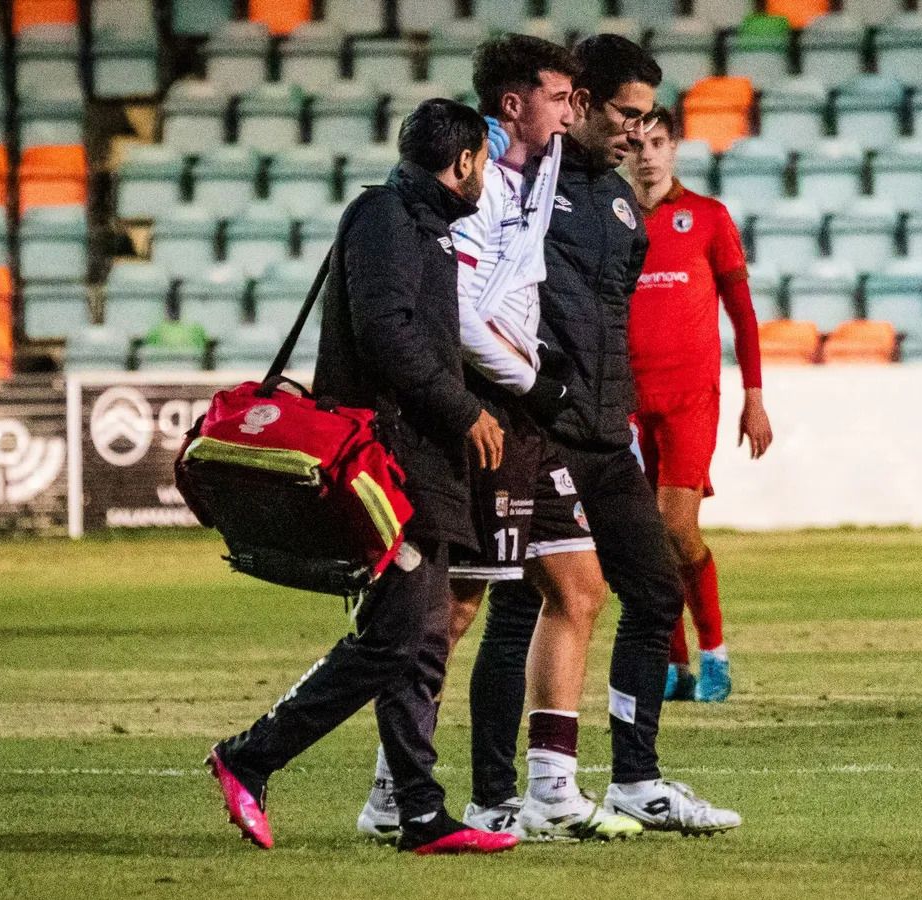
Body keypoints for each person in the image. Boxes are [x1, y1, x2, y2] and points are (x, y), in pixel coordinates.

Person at [204, 99, 517, 856]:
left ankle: (420, 813)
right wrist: (462, 409)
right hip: (391, 463)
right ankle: (250, 755)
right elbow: (386, 333)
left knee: (421, 638)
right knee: (396, 638)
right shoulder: (386, 217)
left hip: (421, 464)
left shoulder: (419, 223)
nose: (489, 178)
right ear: (466, 159)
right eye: (487, 162)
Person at [355, 35, 642, 844]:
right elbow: (464, 311)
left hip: (527, 417)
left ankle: (551, 784)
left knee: (579, 589)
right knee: (452, 609)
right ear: (512, 105)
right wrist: (531, 382)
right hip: (489, 410)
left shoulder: (536, 163)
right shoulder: (474, 188)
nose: (571, 110)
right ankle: (392, 790)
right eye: (558, 95)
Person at [470, 34, 742, 836]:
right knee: (520, 606)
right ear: (581, 102)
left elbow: (613, 318)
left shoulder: (621, 205)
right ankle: (496, 794)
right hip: (536, 429)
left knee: (656, 591)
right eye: (627, 113)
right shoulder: (520, 186)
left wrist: (615, 410)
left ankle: (636, 779)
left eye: (648, 117)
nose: (637, 131)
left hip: (601, 435)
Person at [624, 106, 772, 703]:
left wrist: (754, 397)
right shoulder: (611, 222)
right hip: (626, 404)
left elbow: (742, 313)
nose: (647, 155)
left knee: (677, 528)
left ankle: (713, 653)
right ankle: (672, 663)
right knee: (644, 539)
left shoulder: (708, 218)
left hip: (690, 398)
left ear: (675, 148)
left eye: (658, 142)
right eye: (636, 144)